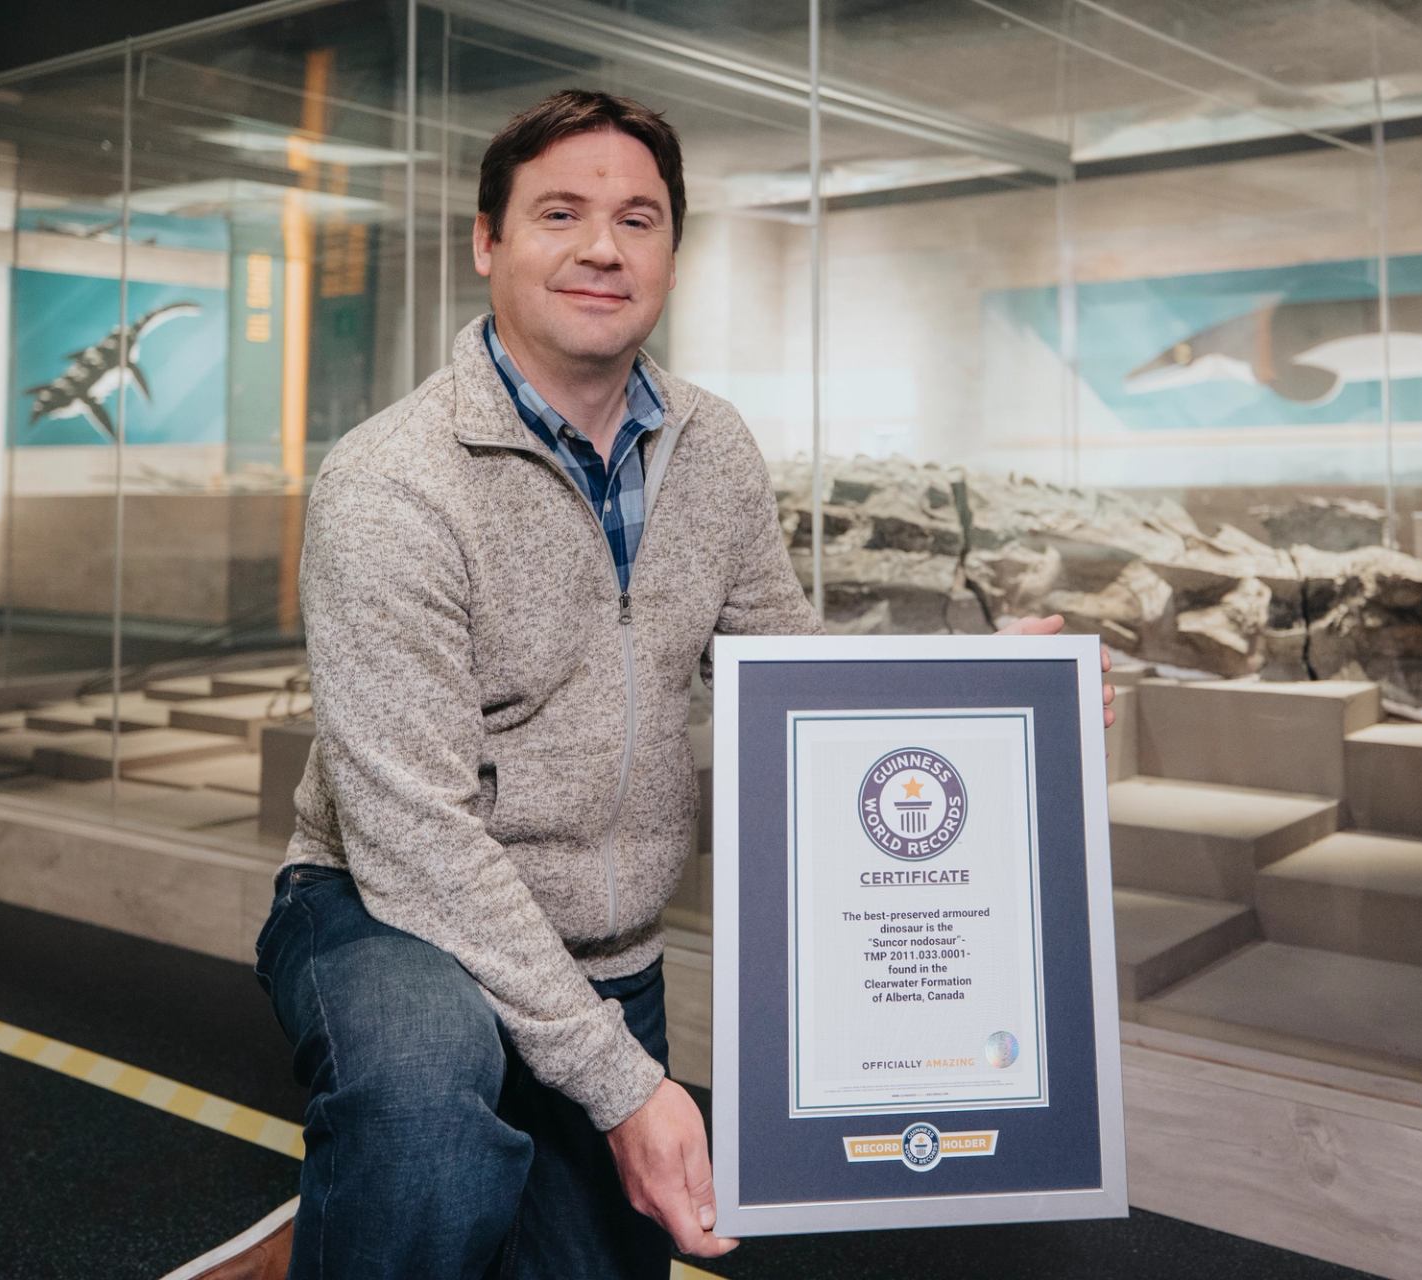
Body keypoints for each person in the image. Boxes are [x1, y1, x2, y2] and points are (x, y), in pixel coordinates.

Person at [248, 88, 1111, 1280]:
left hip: (610, 940)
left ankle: (344, 1231)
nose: (604, 246)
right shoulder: (391, 484)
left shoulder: (712, 447)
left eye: (639, 219)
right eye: (561, 212)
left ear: (671, 252)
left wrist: (983, 687)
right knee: (427, 1114)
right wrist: (626, 1088)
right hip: (386, 909)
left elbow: (782, 673)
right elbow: (415, 840)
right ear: (487, 241)